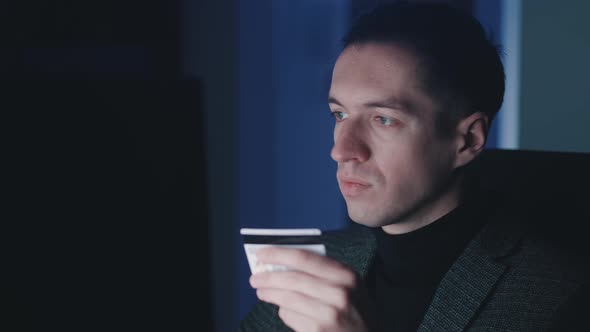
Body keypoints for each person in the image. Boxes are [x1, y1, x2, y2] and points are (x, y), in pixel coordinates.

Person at [239, 2, 588, 331]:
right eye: (339, 114)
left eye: (383, 120)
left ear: (466, 141)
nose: (341, 150)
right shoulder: (315, 267)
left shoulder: (561, 296)